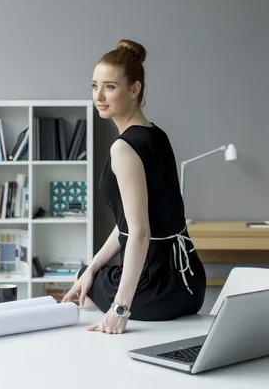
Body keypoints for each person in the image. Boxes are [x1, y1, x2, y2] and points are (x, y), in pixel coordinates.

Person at [62, 39, 206, 334]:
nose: (99, 96)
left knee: (84, 287)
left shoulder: (124, 148)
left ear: (134, 89)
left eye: (110, 87)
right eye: (94, 85)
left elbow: (139, 233)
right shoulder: (157, 136)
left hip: (154, 289)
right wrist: (92, 268)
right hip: (189, 286)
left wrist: (120, 309)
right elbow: (129, 223)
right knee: (88, 275)